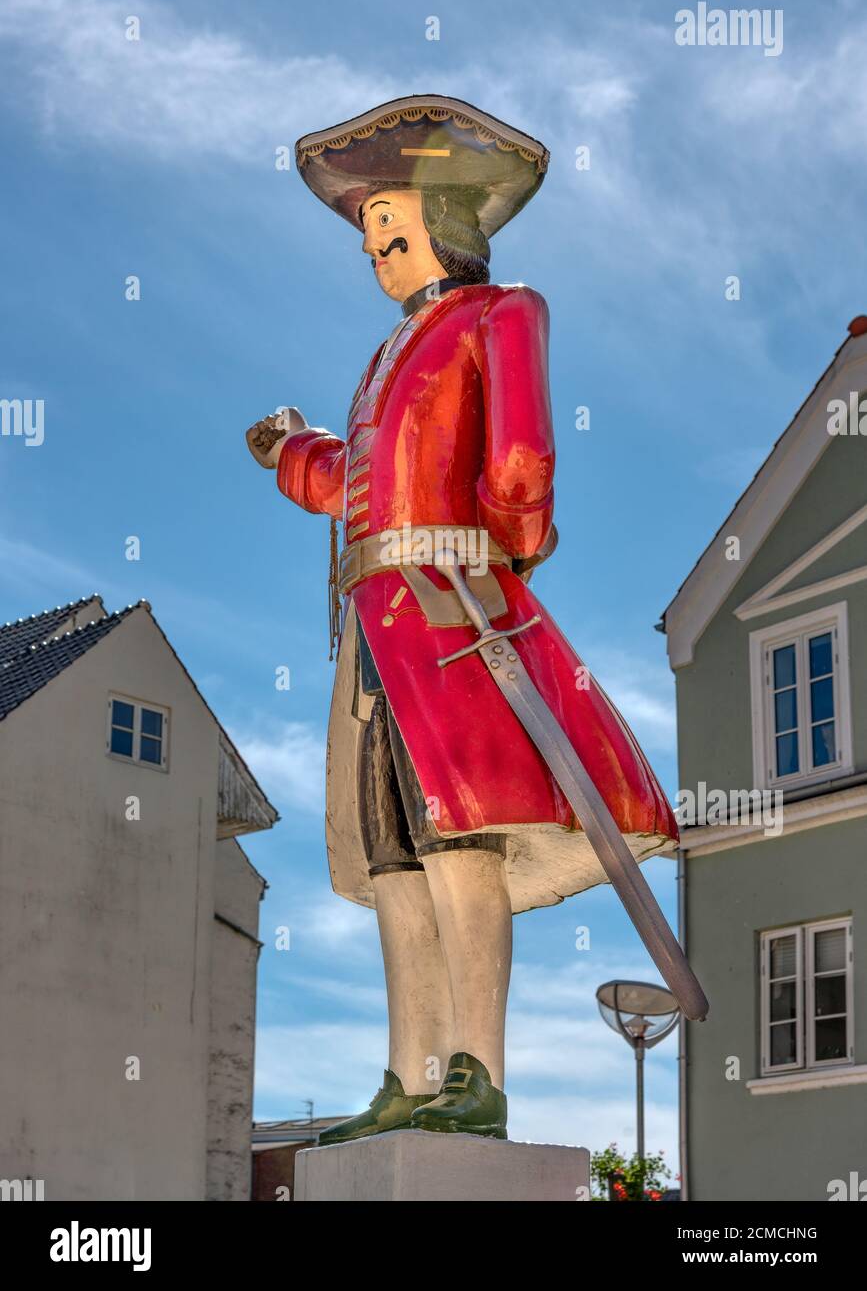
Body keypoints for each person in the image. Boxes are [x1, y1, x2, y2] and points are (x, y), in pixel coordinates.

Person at [246, 96, 678, 1142]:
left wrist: (504, 547)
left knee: (457, 835)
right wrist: (292, 453)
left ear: (447, 229)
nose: (380, 254)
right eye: (372, 241)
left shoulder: (501, 313)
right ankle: (410, 1073)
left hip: (452, 608)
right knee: (393, 849)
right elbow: (363, 478)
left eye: (394, 232)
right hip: (373, 623)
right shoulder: (382, 364)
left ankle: (474, 1070)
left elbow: (523, 459)